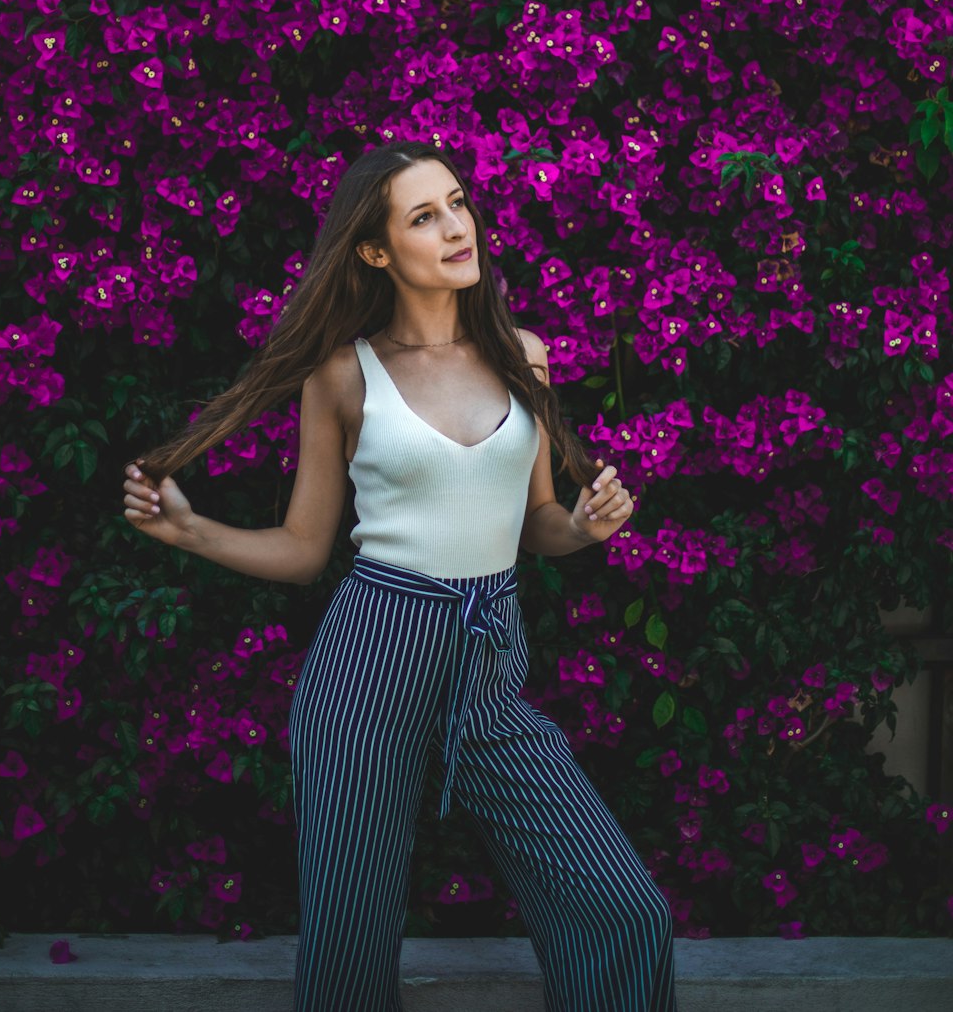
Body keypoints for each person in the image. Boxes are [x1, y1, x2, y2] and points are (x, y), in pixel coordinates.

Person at [122, 138, 678, 1012]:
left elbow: (535, 524)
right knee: (351, 946)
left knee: (623, 909)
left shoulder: (523, 356)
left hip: (489, 664)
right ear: (377, 250)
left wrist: (579, 525)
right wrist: (194, 533)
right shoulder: (344, 373)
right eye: (425, 216)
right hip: (369, 659)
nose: (458, 227)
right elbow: (308, 549)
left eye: (457, 202)